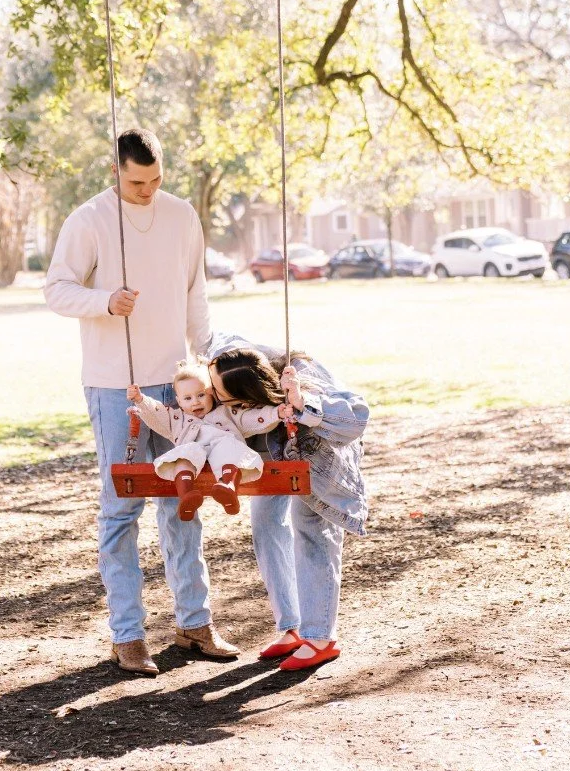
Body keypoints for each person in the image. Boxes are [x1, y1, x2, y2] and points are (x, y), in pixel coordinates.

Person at [44, 127, 239, 677]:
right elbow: (56, 289)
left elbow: (194, 291)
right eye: (136, 181)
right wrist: (105, 300)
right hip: (115, 384)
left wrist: (209, 363)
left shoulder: (181, 217)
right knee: (121, 508)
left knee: (184, 503)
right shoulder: (89, 219)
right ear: (116, 172)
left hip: (178, 381)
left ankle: (194, 623)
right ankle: (127, 636)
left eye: (155, 180)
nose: (147, 189)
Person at [207, 334, 369, 671]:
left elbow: (357, 418)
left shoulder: (301, 372)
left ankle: (321, 637)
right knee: (265, 524)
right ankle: (291, 626)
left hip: (316, 457)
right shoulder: (224, 364)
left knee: (309, 528)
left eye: (218, 393)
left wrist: (303, 402)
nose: (212, 395)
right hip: (272, 458)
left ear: (246, 394)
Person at [126, 358, 287, 518]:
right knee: (185, 453)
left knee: (229, 445)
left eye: (201, 395)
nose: (195, 402)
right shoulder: (175, 419)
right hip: (193, 460)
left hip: (225, 461)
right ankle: (187, 494)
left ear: (212, 393)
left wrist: (276, 413)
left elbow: (251, 418)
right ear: (178, 401)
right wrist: (140, 400)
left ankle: (228, 486)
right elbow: (157, 412)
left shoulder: (227, 413)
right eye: (188, 398)